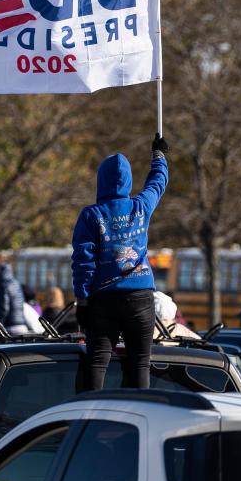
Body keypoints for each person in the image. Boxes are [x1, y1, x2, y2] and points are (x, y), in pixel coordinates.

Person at [71, 135, 169, 391]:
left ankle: (87, 417)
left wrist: (82, 300)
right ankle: (138, 417)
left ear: (100, 180)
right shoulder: (140, 207)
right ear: (127, 181)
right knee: (139, 363)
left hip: (103, 300)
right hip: (140, 298)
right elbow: (158, 184)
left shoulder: (91, 215)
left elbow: (83, 261)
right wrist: (159, 157)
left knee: (96, 362)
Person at [0, 262, 28, 335]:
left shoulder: (3, 285)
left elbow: (4, 308)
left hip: (10, 326)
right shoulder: (16, 283)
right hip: (21, 325)